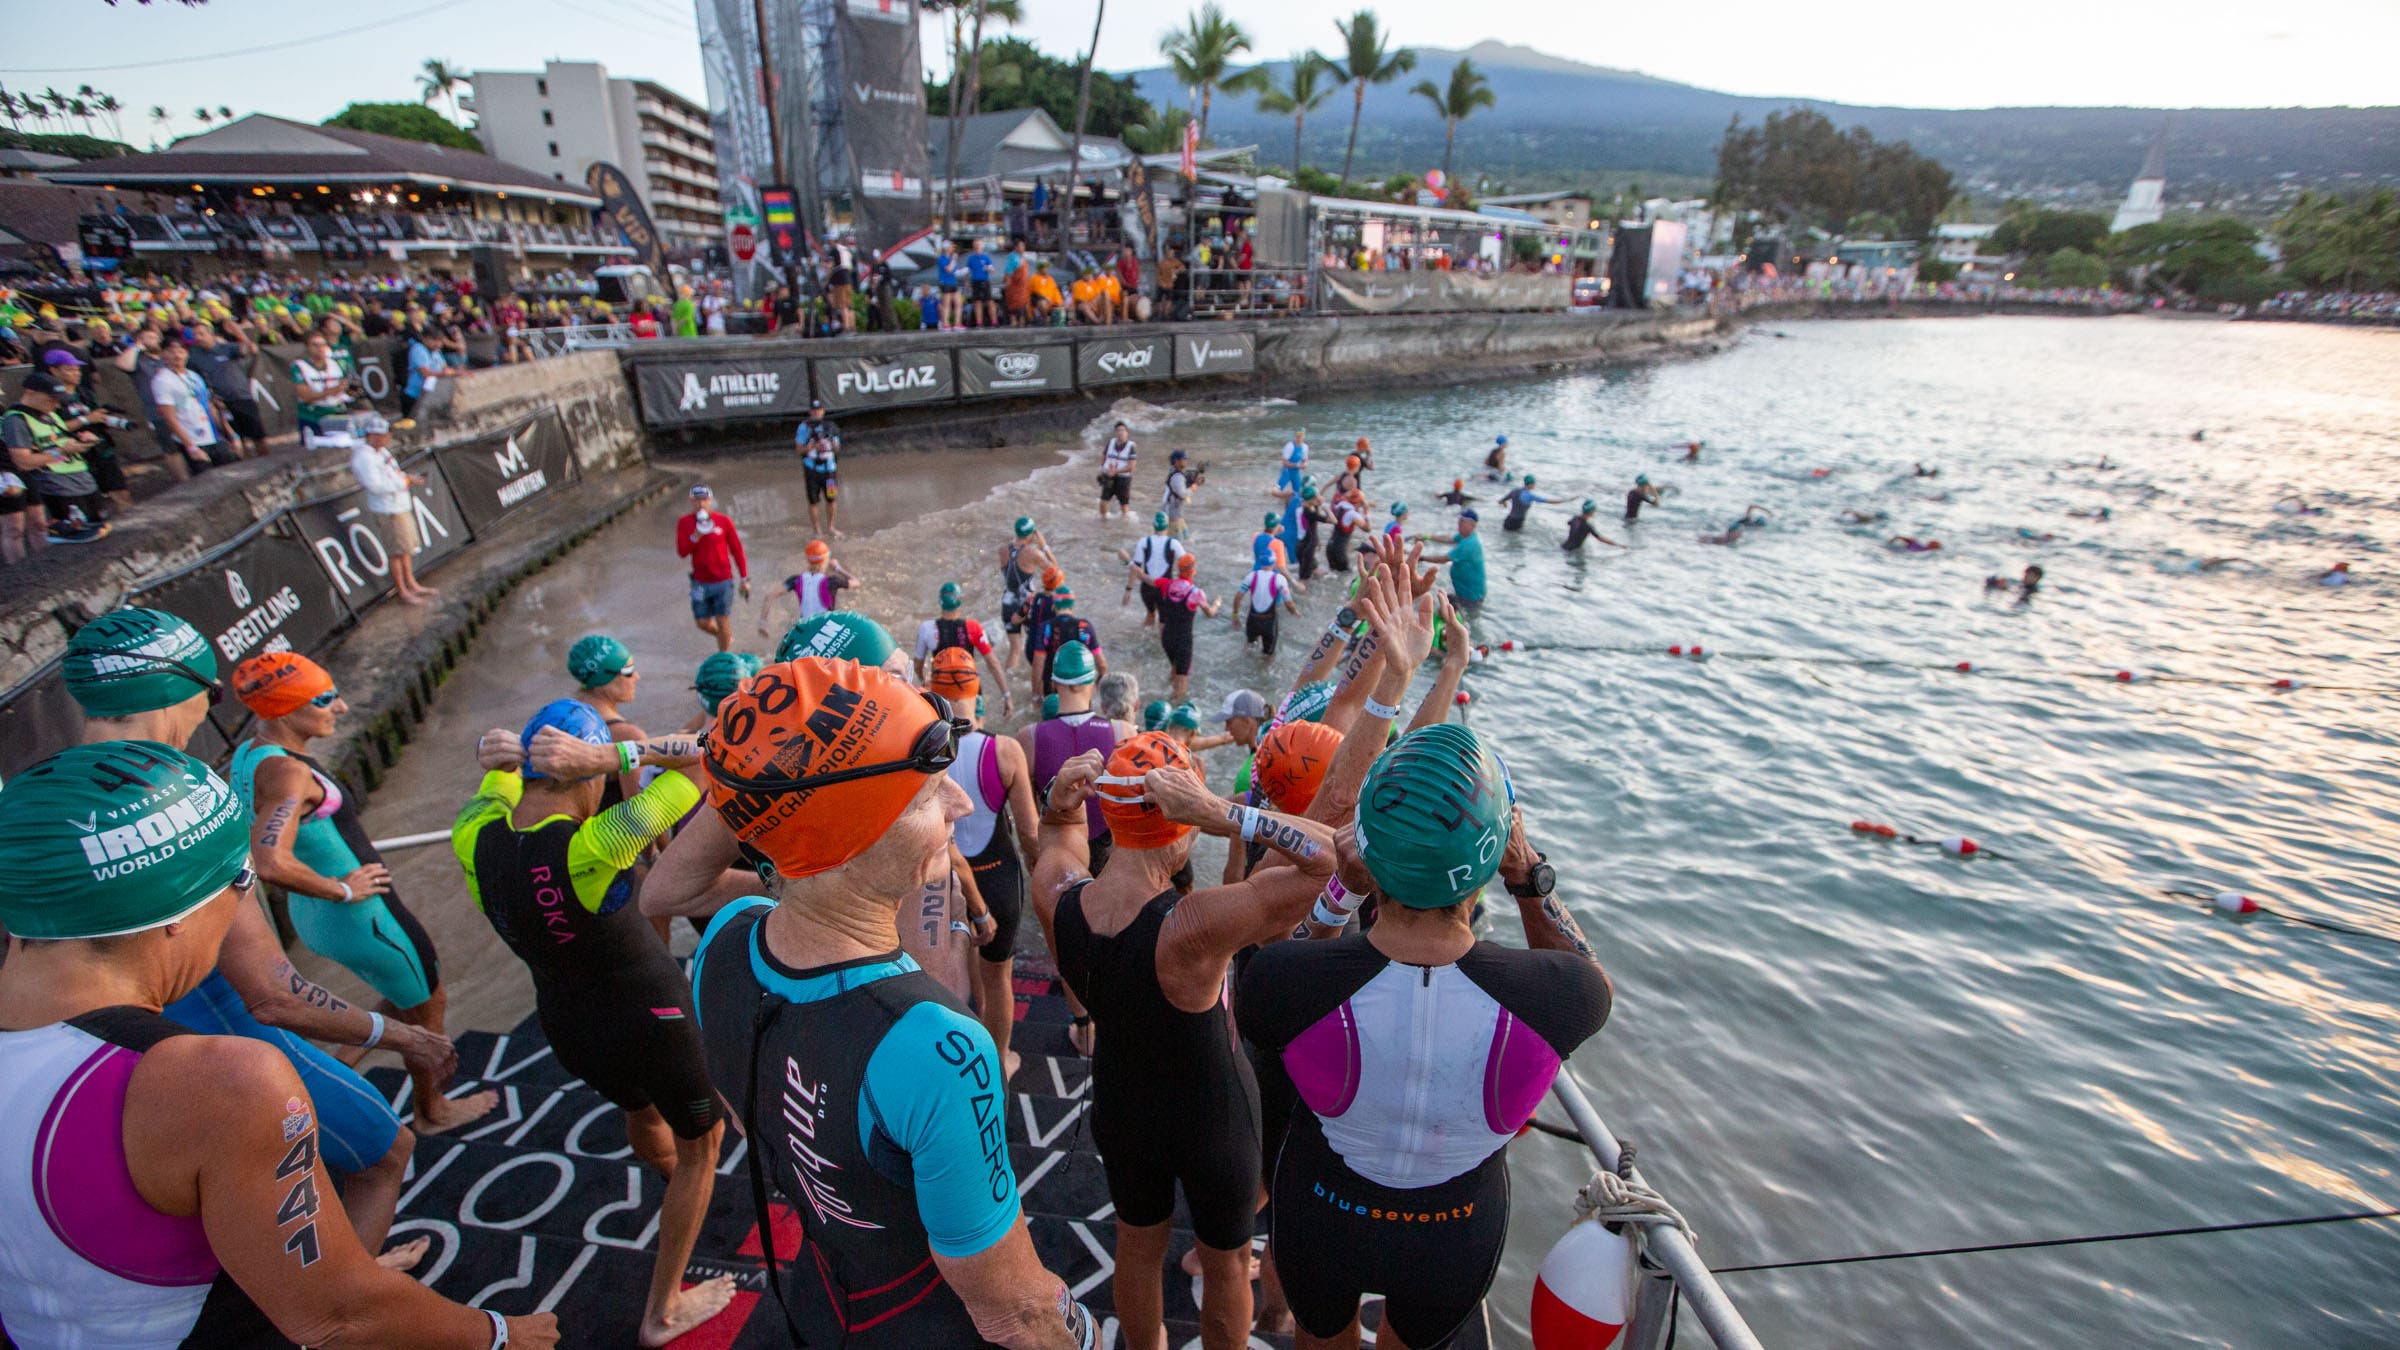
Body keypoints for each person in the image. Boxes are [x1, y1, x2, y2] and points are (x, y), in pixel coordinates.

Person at [0, 741, 561, 1350]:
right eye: (240, 881)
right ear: (174, 911)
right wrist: (504, 1333)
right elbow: (338, 1317)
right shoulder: (224, 1083)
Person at [690, 658, 1096, 1349]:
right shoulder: (941, 1047)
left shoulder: (724, 942)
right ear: (850, 839)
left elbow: (745, 1111)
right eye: (931, 795)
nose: (961, 807)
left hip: (819, 1298)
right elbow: (1017, 1313)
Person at [62, 609, 462, 1264]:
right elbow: (275, 995)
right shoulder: (185, 803)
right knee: (386, 1151)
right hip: (224, 1036)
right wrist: (402, 1034)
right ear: (184, 689)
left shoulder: (45, 801)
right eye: (212, 691)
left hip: (110, 1059)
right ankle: (349, 1300)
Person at [1240, 725, 1610, 1350]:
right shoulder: (1563, 997)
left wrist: (1343, 888)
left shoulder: (1280, 981)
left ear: (1365, 850)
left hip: (1323, 1210)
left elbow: (1289, 973)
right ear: (1493, 860)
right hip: (1455, 1231)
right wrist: (1530, 877)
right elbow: (1586, 973)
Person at [1030, 735, 1339, 1350]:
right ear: (1180, 827)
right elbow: (1327, 860)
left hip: (1121, 1104)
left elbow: (1060, 832)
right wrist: (1223, 813)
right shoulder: (1192, 927)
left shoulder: (1058, 895)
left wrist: (1060, 803)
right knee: (1224, 1264)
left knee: (1137, 1248)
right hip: (1212, 1118)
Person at [454, 701, 738, 1345]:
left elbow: (494, 773)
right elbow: (711, 754)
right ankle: (663, 1311)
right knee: (705, 1145)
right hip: (651, 1019)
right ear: (584, 775)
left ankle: (674, 1187)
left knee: (642, 1112)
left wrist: (495, 751)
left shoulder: (472, 830)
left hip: (566, 1025)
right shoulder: (600, 842)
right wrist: (617, 756)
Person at [228, 652, 482, 1129]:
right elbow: (270, 861)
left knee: (401, 994)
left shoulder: (250, 754)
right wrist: (343, 888)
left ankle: (331, 1070)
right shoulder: (290, 773)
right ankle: (433, 1110)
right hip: (363, 917)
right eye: (324, 699)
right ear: (283, 709)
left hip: (316, 917)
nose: (341, 708)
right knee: (430, 1003)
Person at [930, 649, 1043, 1078]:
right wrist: (1037, 870)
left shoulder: (921, 749)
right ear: (976, 690)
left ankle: (956, 1061)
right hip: (998, 879)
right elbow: (1030, 834)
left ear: (932, 688)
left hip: (943, 881)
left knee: (952, 970)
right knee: (999, 978)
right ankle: (999, 1062)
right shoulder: (1006, 750)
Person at [1017, 640, 1131, 879]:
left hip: (1058, 849)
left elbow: (1026, 815)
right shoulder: (1123, 731)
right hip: (1109, 848)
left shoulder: (1029, 737)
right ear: (1093, 682)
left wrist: (1033, 855)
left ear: (1055, 683)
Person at [4, 370, 110, 544]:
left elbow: (57, 440)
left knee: (99, 531)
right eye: (51, 399)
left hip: (81, 481)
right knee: (80, 537)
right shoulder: (16, 421)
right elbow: (22, 462)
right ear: (30, 393)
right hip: (58, 487)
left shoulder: (49, 413)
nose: (56, 404)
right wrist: (61, 452)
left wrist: (81, 441)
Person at [347, 413, 438, 604]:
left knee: (406, 549)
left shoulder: (382, 453)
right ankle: (403, 591)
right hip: (388, 509)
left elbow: (393, 473)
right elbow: (376, 485)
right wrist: (404, 481)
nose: (389, 437)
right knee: (396, 551)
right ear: (373, 435)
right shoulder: (364, 458)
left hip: (399, 505)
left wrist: (407, 478)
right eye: (385, 434)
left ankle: (411, 583)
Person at [45, 349, 135, 510]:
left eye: (77, 369)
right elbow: (53, 427)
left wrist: (107, 420)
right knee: (93, 503)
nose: (76, 373)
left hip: (101, 449)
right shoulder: (50, 399)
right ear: (53, 371)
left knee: (121, 492)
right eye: (69, 369)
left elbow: (97, 415)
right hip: (76, 456)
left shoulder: (85, 393)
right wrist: (86, 419)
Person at [916, 580, 1015, 716]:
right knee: (976, 729)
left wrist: (924, 680)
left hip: (942, 690)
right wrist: (1007, 695)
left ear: (940, 601)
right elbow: (993, 663)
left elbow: (918, 664)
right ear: (960, 601)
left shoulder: (926, 628)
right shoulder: (973, 627)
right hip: (969, 689)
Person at [677, 484, 751, 651]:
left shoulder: (723, 521)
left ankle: (723, 655)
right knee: (702, 622)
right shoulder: (685, 522)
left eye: (704, 500)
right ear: (691, 501)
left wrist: (744, 578)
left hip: (723, 580)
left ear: (710, 500)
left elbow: (737, 550)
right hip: (699, 582)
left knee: (722, 619)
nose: (701, 504)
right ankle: (725, 637)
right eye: (697, 501)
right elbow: (682, 552)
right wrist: (696, 535)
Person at [152, 338, 233, 472]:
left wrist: (230, 433)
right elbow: (169, 417)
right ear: (164, 354)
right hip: (193, 439)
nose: (177, 356)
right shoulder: (162, 380)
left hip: (213, 436)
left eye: (181, 352)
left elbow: (209, 406)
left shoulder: (194, 376)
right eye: (172, 352)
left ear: (186, 354)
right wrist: (191, 447)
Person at [186, 322, 266, 459]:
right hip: (221, 403)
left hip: (242, 397)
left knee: (258, 434)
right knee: (236, 438)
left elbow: (250, 350)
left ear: (210, 334)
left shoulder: (226, 348)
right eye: (195, 335)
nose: (198, 338)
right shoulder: (194, 358)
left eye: (201, 334)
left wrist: (238, 333)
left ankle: (266, 461)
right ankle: (246, 464)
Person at [1158, 552, 1220, 702]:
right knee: (1182, 679)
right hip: (1183, 640)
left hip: (1166, 637)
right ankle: (1174, 708)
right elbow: (1209, 613)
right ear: (1193, 570)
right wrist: (1217, 603)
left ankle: (1165, 697)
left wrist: (1130, 564)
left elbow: (1150, 580)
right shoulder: (1196, 593)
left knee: (1174, 669)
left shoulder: (1167, 584)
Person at [760, 537, 856, 632]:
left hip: (805, 630)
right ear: (826, 559)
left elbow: (769, 596)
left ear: (808, 560)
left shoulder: (796, 580)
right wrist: (838, 568)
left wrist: (762, 623)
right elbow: (856, 582)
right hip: (826, 629)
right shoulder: (832, 581)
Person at [998, 516, 1055, 669]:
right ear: (1031, 534)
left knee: (1015, 649)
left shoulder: (1003, 549)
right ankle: (1036, 681)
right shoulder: (1032, 552)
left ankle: (1009, 681)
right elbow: (1055, 572)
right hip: (1028, 604)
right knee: (1037, 647)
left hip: (1008, 603)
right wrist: (1044, 546)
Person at [1122, 510, 1189, 626]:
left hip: (1146, 588)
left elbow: (1135, 568)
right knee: (1163, 621)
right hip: (1165, 588)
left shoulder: (1143, 542)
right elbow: (1187, 565)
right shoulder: (1174, 544)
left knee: (1150, 614)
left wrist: (1128, 590)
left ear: (1153, 525)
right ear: (1167, 526)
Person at [291, 330, 358, 442]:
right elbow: (306, 396)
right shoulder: (299, 366)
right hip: (312, 415)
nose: (320, 348)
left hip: (335, 412)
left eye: (322, 344)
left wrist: (350, 389)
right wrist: (334, 390)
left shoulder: (335, 363)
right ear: (307, 347)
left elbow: (352, 389)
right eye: (315, 345)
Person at [1035, 592, 1106, 697]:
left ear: (1054, 606)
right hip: (1081, 689)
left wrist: (1035, 694)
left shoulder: (1045, 627)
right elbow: (1102, 665)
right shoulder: (1085, 626)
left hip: (1053, 687)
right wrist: (1096, 683)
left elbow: (1038, 663)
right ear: (1072, 607)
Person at [1423, 508, 1488, 607]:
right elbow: (1449, 538)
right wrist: (1427, 537)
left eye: (1463, 521)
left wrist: (1421, 557)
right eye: (1459, 520)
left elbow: (1444, 559)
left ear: (1473, 525)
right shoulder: (1466, 537)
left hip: (1471, 597)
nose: (1459, 523)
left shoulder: (1469, 544)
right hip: (1464, 593)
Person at [797, 402, 843, 538]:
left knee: (831, 498)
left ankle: (831, 527)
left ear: (823, 411)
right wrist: (812, 446)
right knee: (813, 500)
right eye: (813, 410)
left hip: (829, 471)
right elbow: (799, 449)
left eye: (819, 410)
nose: (816, 412)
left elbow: (837, 449)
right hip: (812, 470)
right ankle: (817, 530)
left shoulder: (831, 427)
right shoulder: (804, 427)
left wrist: (831, 442)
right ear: (810, 412)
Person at [1238, 557, 1300, 656]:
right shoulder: (1279, 579)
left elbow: (1238, 597)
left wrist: (1235, 617)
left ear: (1261, 563)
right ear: (1274, 564)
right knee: (1268, 656)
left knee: (1249, 648)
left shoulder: (1251, 576)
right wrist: (1295, 612)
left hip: (1252, 620)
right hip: (1269, 623)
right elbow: (1288, 603)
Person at [1099, 420, 1139, 519]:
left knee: (1124, 505)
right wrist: (1101, 470)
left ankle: (1124, 525)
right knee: (1103, 502)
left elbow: (1131, 467)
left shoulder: (1131, 447)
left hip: (1123, 478)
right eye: (1118, 431)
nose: (1120, 433)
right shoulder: (1111, 443)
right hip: (1109, 476)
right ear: (1115, 433)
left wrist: (1116, 471)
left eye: (1123, 430)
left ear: (1127, 433)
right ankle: (1104, 521)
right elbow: (1104, 457)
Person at [1161, 448, 1200, 535]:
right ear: (1176, 461)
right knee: (1178, 542)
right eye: (1184, 459)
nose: (1186, 461)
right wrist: (1193, 488)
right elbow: (1182, 494)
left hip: (1175, 513)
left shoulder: (1174, 472)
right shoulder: (1177, 476)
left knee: (1187, 538)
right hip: (1172, 515)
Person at [966, 238, 998, 328]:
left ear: (982, 246)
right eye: (975, 245)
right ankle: (979, 322)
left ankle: (994, 321)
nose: (977, 247)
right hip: (975, 281)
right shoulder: (971, 258)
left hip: (985, 280)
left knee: (989, 301)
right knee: (977, 302)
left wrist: (989, 269)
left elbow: (993, 269)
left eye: (979, 245)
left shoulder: (986, 257)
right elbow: (968, 271)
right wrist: (967, 282)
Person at [936, 240, 964, 329]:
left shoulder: (952, 258)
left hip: (953, 282)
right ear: (947, 248)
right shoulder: (942, 258)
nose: (953, 248)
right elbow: (948, 269)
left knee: (958, 303)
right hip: (945, 283)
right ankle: (946, 323)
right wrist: (953, 260)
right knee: (946, 303)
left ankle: (957, 323)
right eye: (951, 246)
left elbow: (954, 271)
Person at [1278, 428, 1310, 495]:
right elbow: (1284, 463)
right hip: (1287, 472)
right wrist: (1297, 465)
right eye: (1298, 434)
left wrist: (1305, 465)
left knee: (1298, 493)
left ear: (1304, 436)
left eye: (1301, 434)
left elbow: (1304, 461)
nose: (1299, 436)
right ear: (1295, 435)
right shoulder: (1290, 446)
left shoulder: (1305, 447)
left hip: (1296, 473)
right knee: (1278, 491)